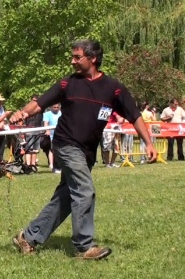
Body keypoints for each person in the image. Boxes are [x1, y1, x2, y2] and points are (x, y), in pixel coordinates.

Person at [10, 39, 157, 260]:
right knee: (85, 190)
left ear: (93, 58)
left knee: (67, 197)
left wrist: (149, 143)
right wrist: (22, 113)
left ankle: (28, 237)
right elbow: (39, 103)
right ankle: (84, 246)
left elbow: (135, 115)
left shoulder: (113, 88)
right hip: (66, 144)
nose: (72, 61)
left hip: (87, 152)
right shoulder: (67, 84)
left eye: (77, 57)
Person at [43, 103, 62, 173]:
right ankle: (51, 164)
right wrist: (47, 131)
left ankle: (59, 165)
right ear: (51, 107)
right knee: (52, 150)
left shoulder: (61, 113)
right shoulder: (47, 114)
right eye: (55, 107)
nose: (56, 109)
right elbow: (46, 123)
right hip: (51, 135)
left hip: (60, 134)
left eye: (57, 107)